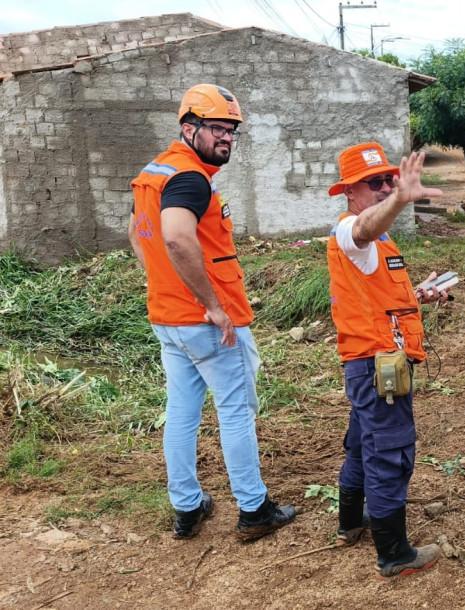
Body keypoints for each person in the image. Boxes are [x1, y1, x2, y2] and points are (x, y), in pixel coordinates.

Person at [128, 84, 296, 541]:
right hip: (207, 323)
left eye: (231, 130)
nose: (225, 138)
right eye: (216, 129)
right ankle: (254, 508)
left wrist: (161, 280)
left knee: (181, 411)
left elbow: (137, 232)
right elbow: (177, 238)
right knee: (235, 411)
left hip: (168, 318)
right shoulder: (188, 179)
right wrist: (213, 306)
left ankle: (186, 507)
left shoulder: (155, 172)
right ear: (189, 128)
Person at [325, 141, 449, 577]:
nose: (382, 188)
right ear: (350, 193)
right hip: (377, 368)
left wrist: (418, 298)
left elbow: (377, 300)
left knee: (362, 445)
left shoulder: (383, 243)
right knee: (390, 454)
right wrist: (400, 197)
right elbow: (360, 232)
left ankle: (349, 524)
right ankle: (394, 553)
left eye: (387, 180)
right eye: (372, 183)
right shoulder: (352, 231)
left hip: (374, 364)